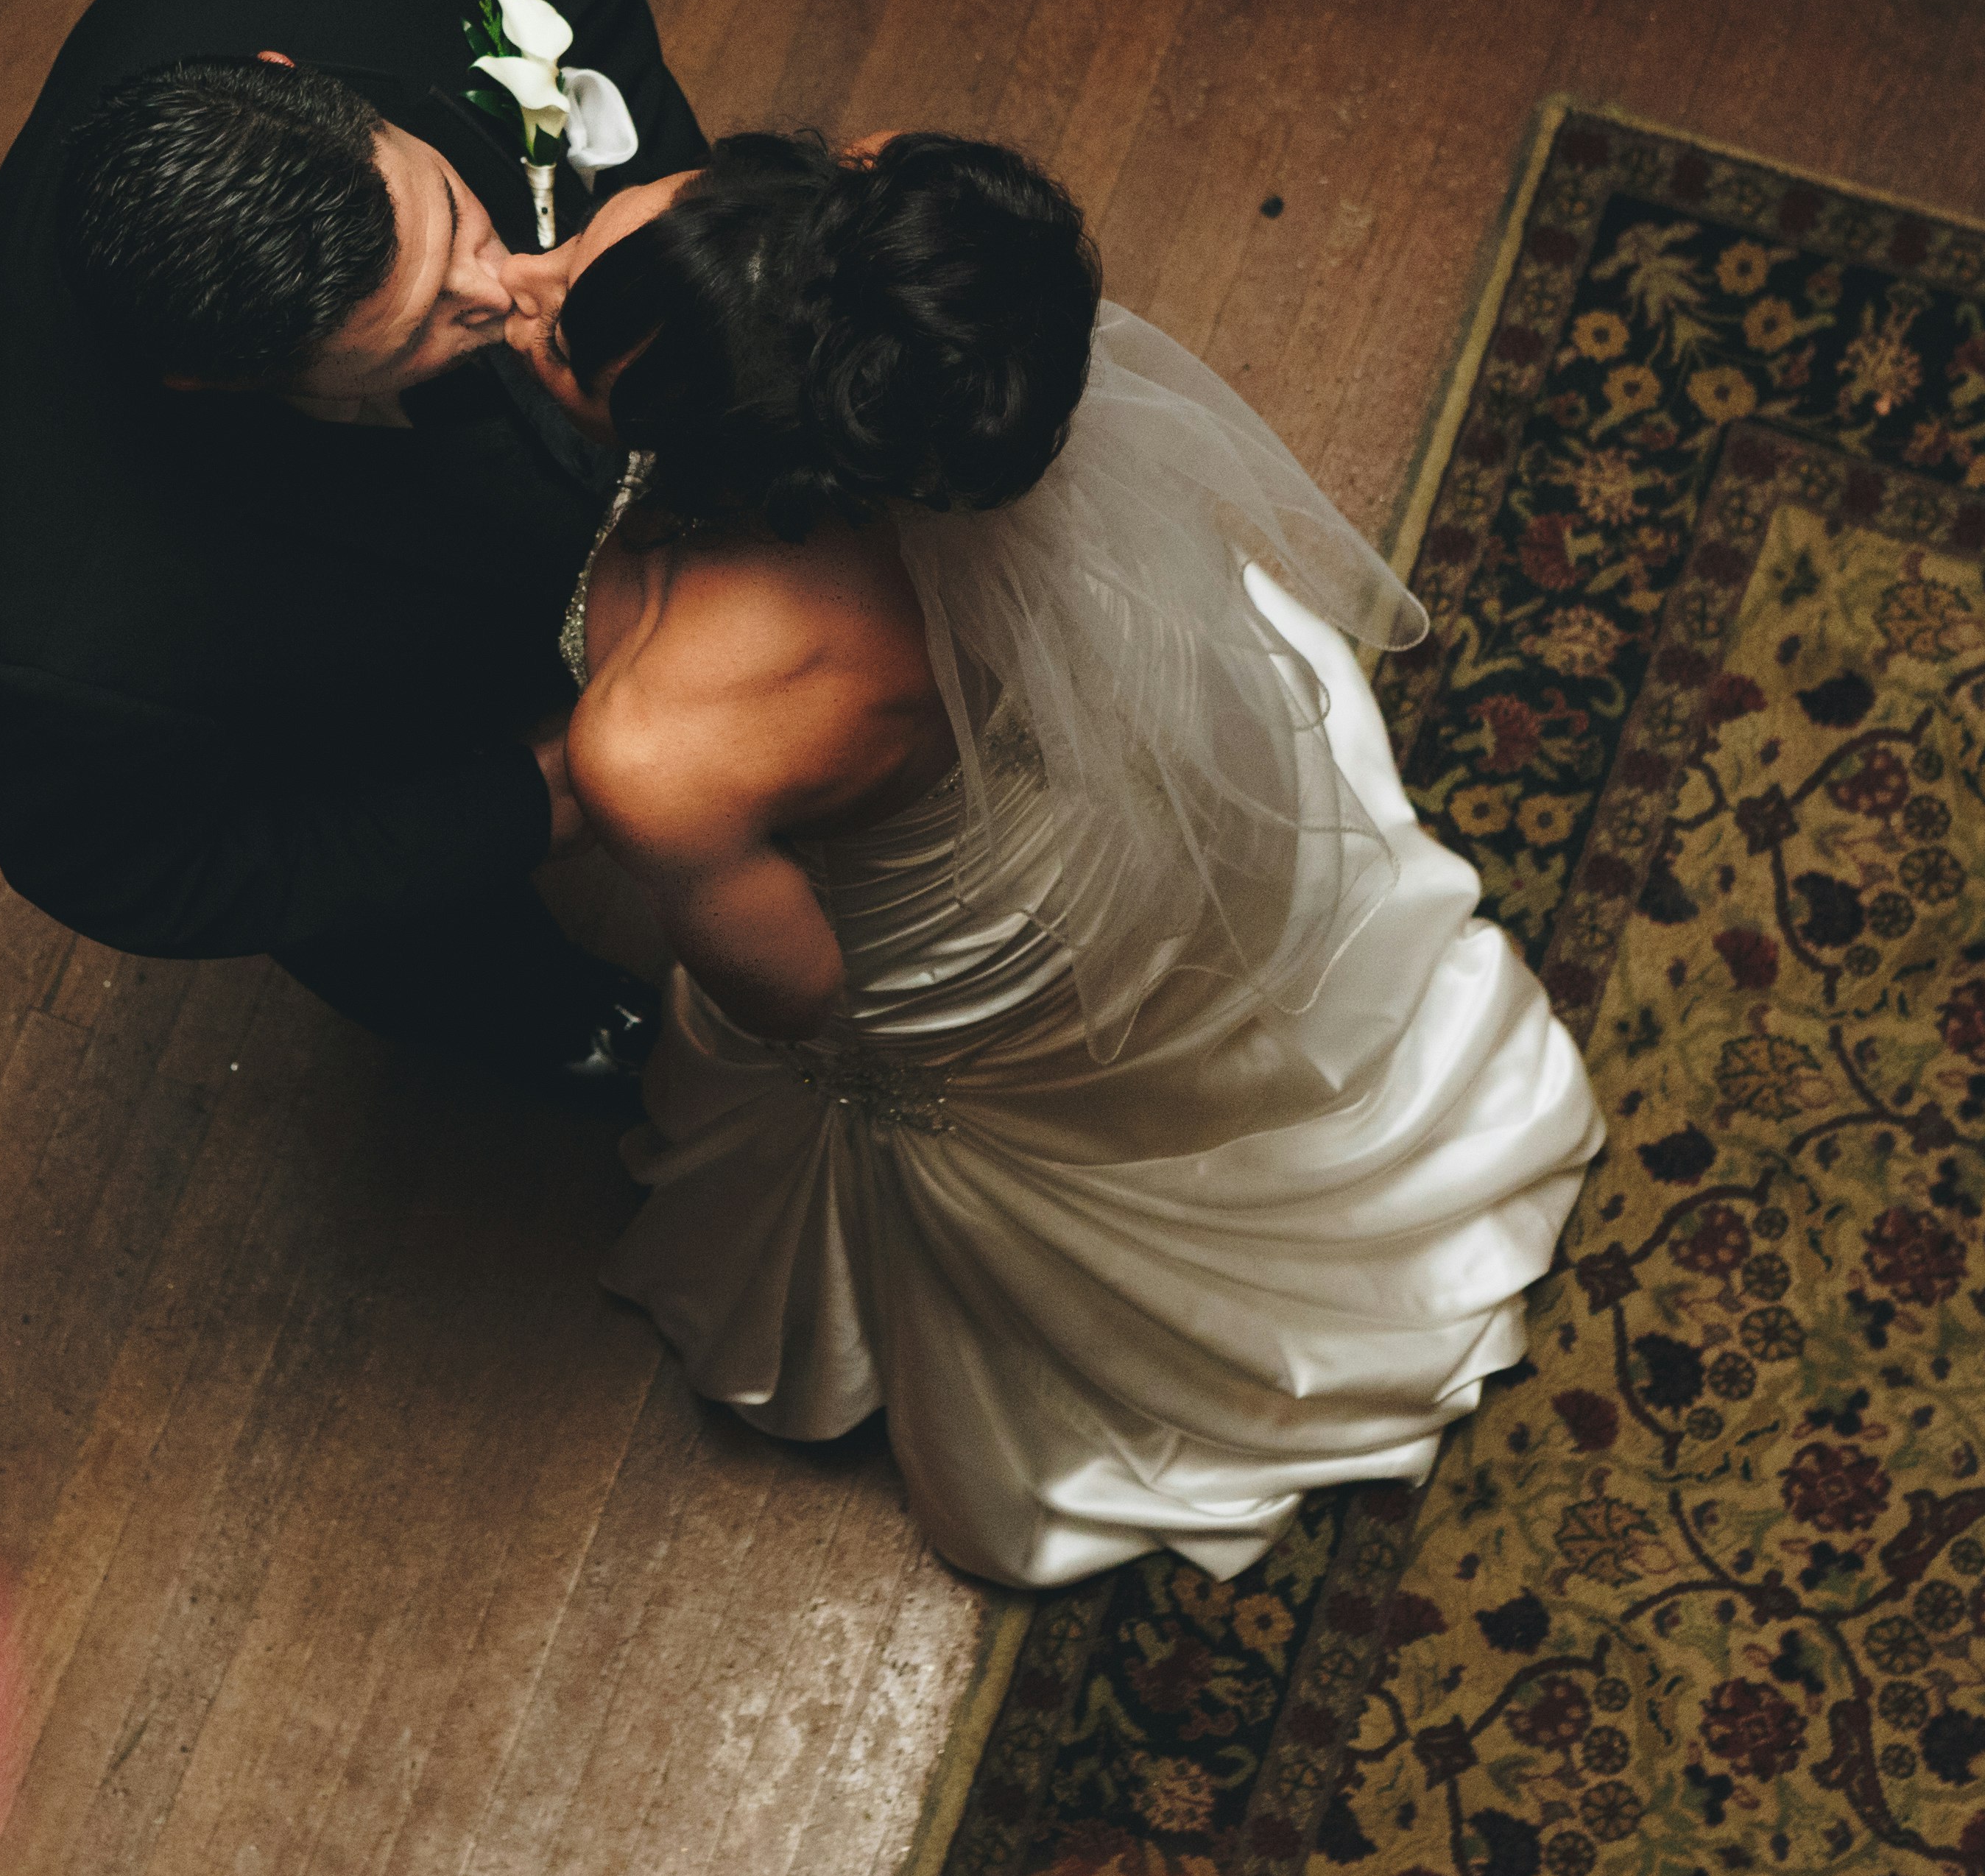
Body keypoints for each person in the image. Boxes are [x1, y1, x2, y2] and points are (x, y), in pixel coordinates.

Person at [515, 132, 1607, 1587]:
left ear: (708, 432)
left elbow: (800, 1006)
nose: (528, 280)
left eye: (568, 330)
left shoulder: (659, 745)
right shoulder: (915, 306)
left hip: (941, 925)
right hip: (1065, 761)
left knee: (922, 1107)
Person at [0, 0, 706, 1097]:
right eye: (417, 334)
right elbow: (167, 869)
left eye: (452, 219)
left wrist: (650, 268)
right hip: (361, 704)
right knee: (434, 949)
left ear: (291, 75)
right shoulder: (49, 644)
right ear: (221, 383)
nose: (509, 298)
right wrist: (549, 789)